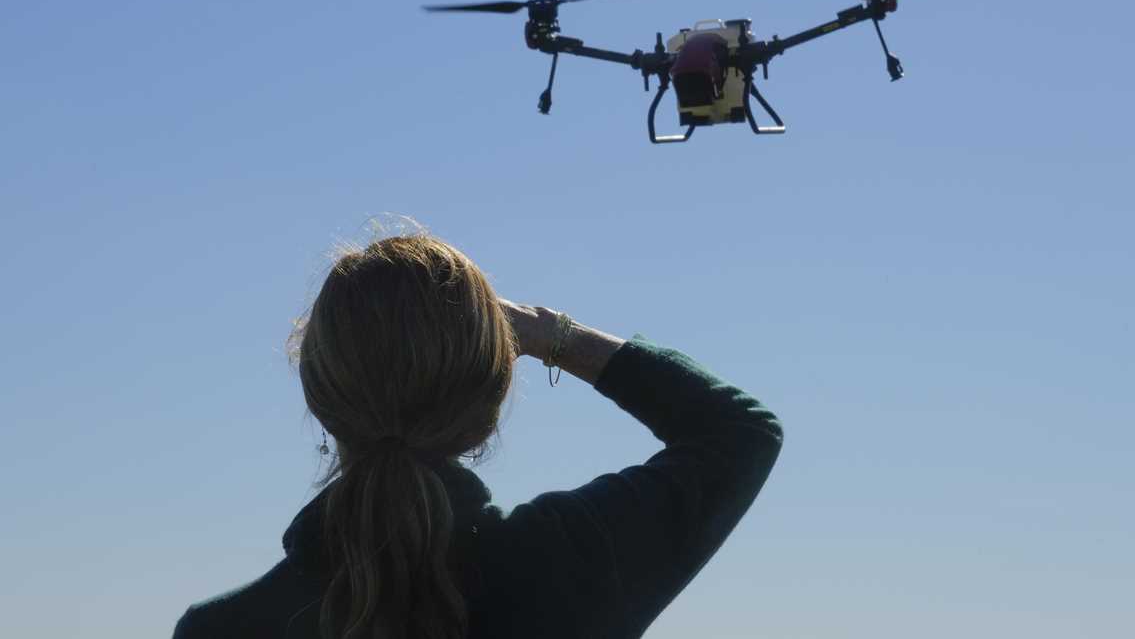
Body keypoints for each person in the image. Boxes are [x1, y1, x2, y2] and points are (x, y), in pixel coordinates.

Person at [173, 234, 783, 638]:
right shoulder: (570, 563)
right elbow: (738, 431)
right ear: (489, 396)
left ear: (319, 393)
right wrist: (550, 334)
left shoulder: (222, 630)